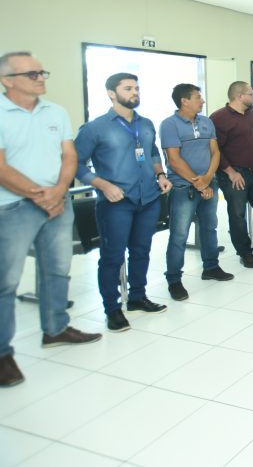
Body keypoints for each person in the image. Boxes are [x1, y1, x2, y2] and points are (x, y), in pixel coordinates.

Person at [0, 52, 101, 387]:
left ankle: (55, 328)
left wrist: (58, 191)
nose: (40, 77)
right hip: (12, 207)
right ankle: (2, 354)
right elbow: (1, 166)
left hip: (57, 203)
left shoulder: (55, 111)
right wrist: (40, 195)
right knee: (6, 282)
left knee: (57, 269)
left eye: (42, 72)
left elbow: (69, 156)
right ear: (7, 80)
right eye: (32, 74)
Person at [75, 72, 173, 333]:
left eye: (136, 88)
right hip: (116, 202)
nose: (134, 92)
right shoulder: (95, 128)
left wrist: (160, 175)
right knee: (112, 256)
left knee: (141, 250)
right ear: (111, 93)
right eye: (128, 88)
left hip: (148, 198)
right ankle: (112, 309)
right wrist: (103, 185)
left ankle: (138, 297)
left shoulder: (146, 124)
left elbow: (152, 152)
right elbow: (75, 163)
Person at [159, 84, 233, 302]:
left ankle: (211, 267)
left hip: (208, 183)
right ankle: (174, 279)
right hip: (183, 188)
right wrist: (200, 184)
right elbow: (174, 160)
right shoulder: (169, 125)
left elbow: (215, 152)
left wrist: (208, 178)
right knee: (179, 234)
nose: (202, 101)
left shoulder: (206, 122)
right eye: (198, 97)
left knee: (209, 227)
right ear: (184, 101)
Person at [210, 82, 253, 268]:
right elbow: (215, 150)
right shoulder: (219, 118)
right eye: (250, 94)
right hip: (234, 174)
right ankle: (245, 252)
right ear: (239, 96)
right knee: (238, 215)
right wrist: (230, 171)